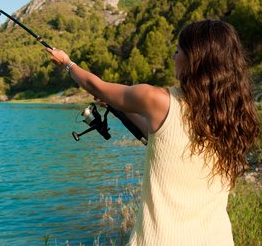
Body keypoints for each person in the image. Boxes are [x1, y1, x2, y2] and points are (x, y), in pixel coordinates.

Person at [46, 19, 259, 245]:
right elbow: (164, 137)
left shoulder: (158, 100)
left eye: (178, 51)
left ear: (194, 59)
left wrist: (67, 63)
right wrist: (119, 109)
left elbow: (96, 86)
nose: (173, 57)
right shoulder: (233, 116)